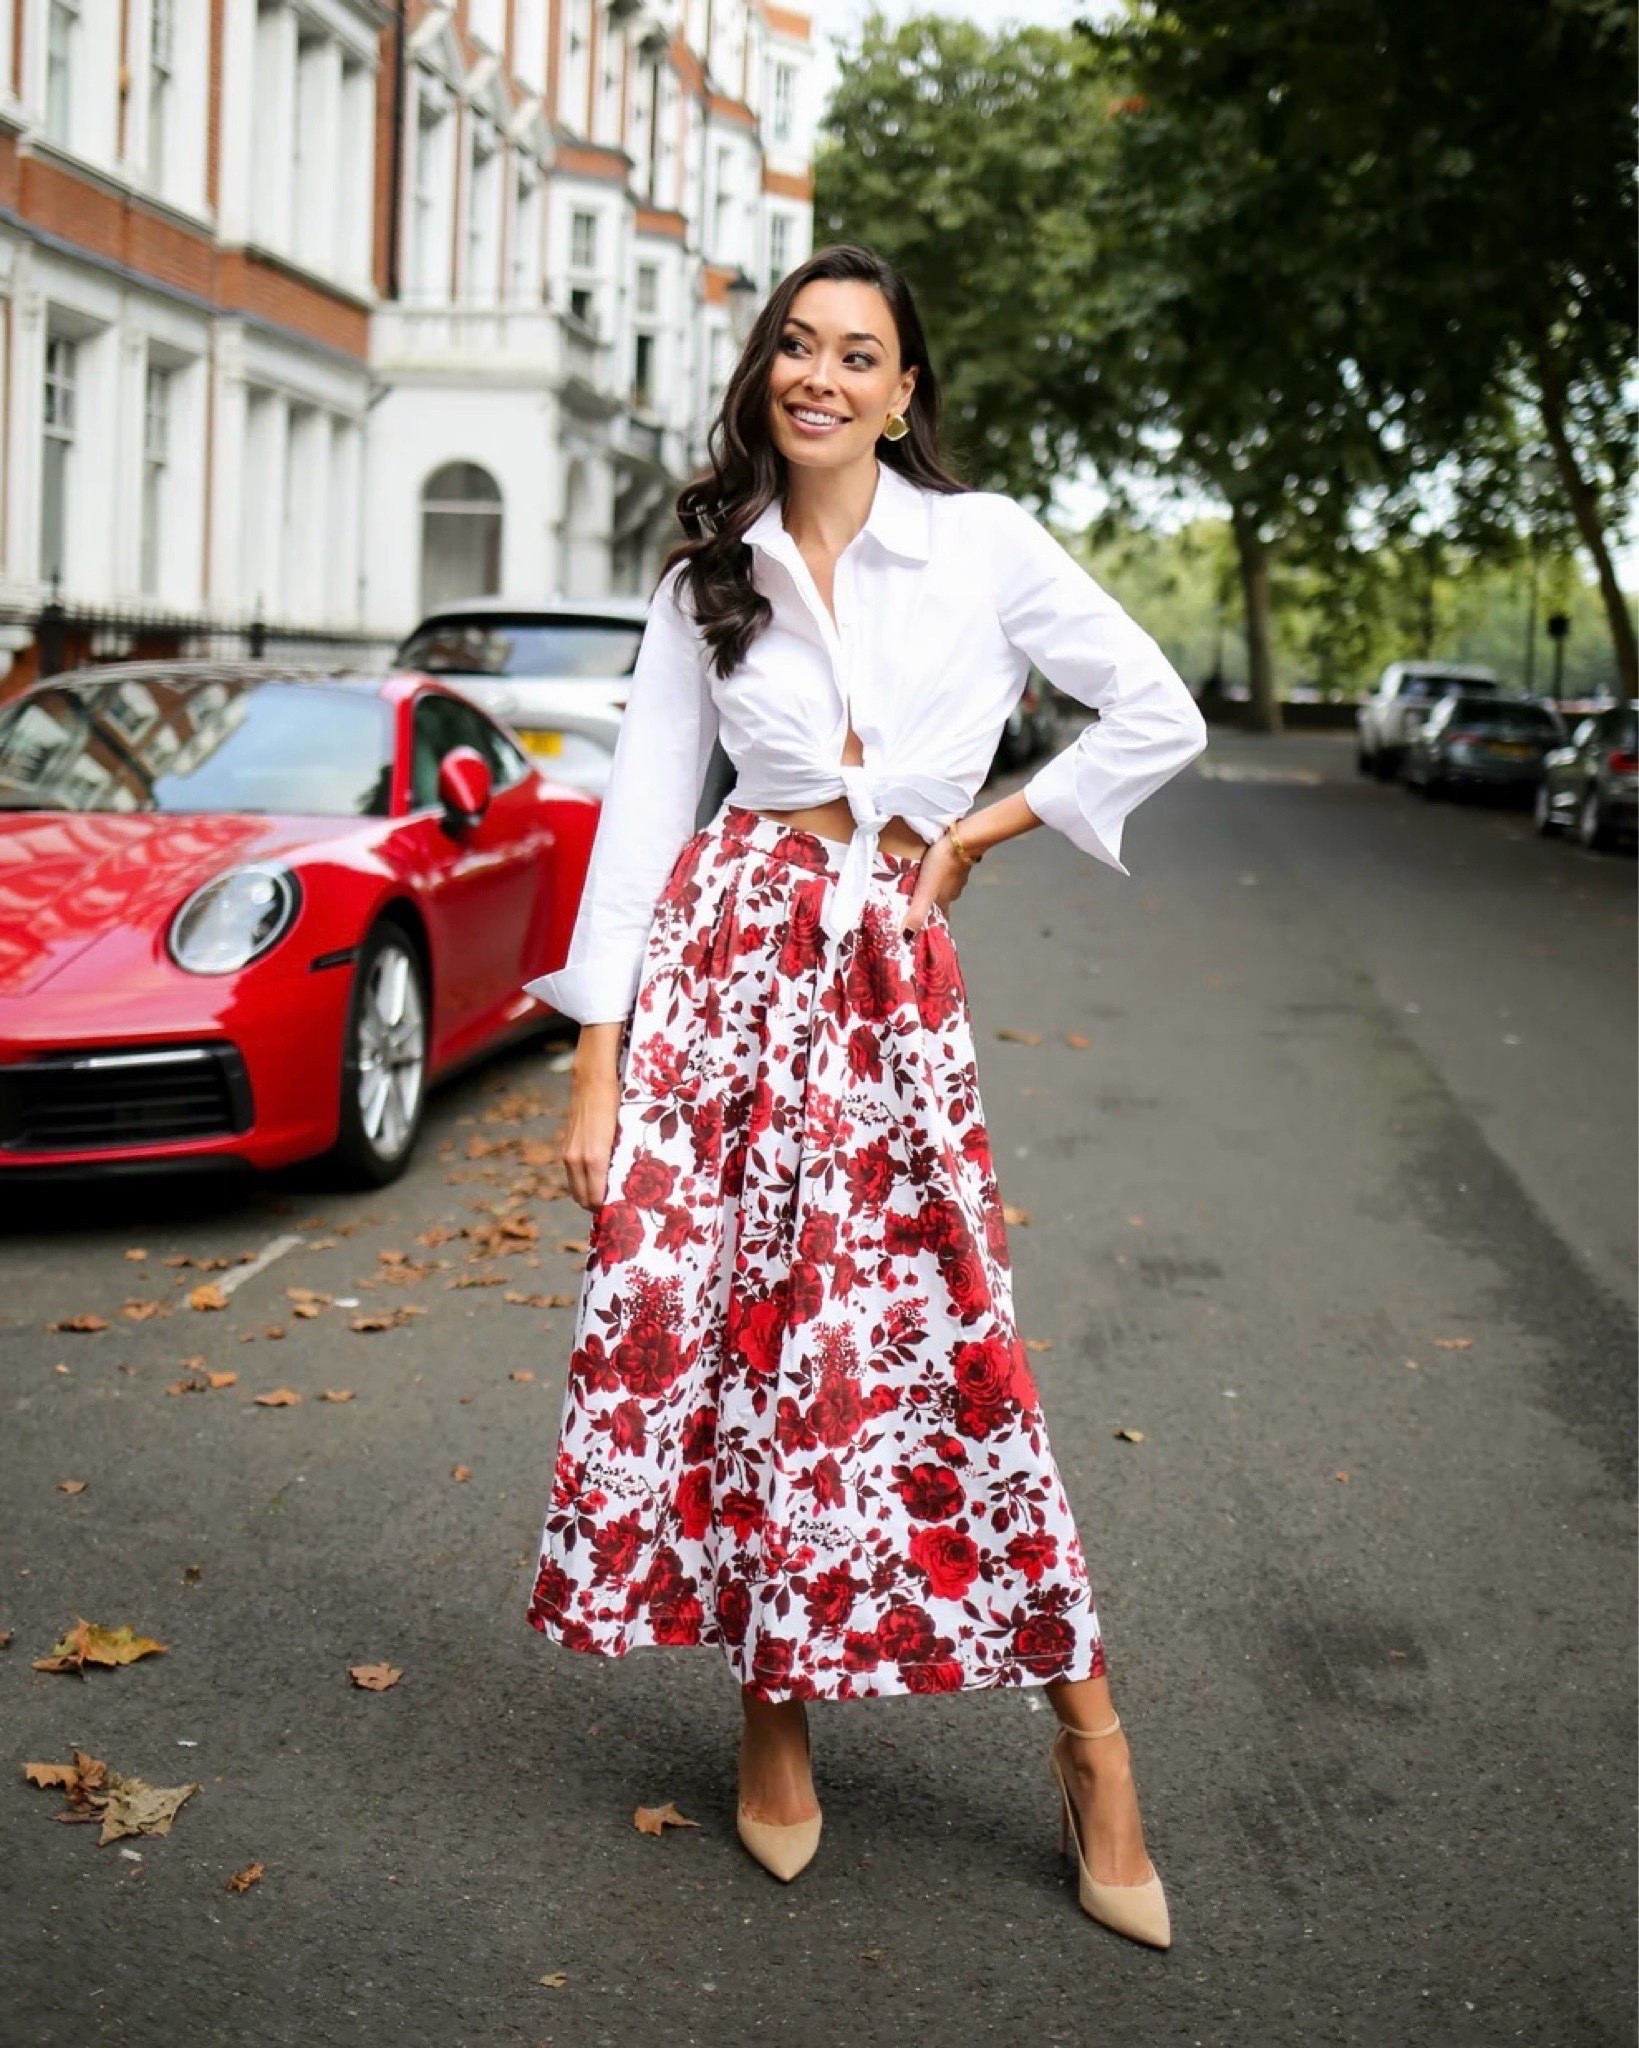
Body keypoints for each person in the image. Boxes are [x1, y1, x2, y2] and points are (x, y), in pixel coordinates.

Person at [523, 244, 1206, 1946]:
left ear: (907, 392)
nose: (821, 376)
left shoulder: (980, 547)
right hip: (719, 979)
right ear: (767, 376)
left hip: (885, 988)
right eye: (796, 349)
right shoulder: (710, 577)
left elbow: (1156, 711)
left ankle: (1091, 1742)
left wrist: (975, 832)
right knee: (731, 1348)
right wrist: (598, 1062)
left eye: (860, 354)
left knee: (951, 1344)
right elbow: (639, 823)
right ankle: (770, 1709)